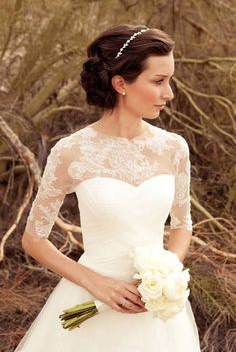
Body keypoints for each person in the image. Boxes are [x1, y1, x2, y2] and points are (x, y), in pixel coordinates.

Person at [15, 24, 201, 351]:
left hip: (156, 316)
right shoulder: (72, 151)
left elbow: (182, 225)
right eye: (158, 81)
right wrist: (96, 284)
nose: (169, 93)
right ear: (120, 84)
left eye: (169, 80)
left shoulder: (174, 148)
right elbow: (34, 239)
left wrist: (166, 271)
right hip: (88, 306)